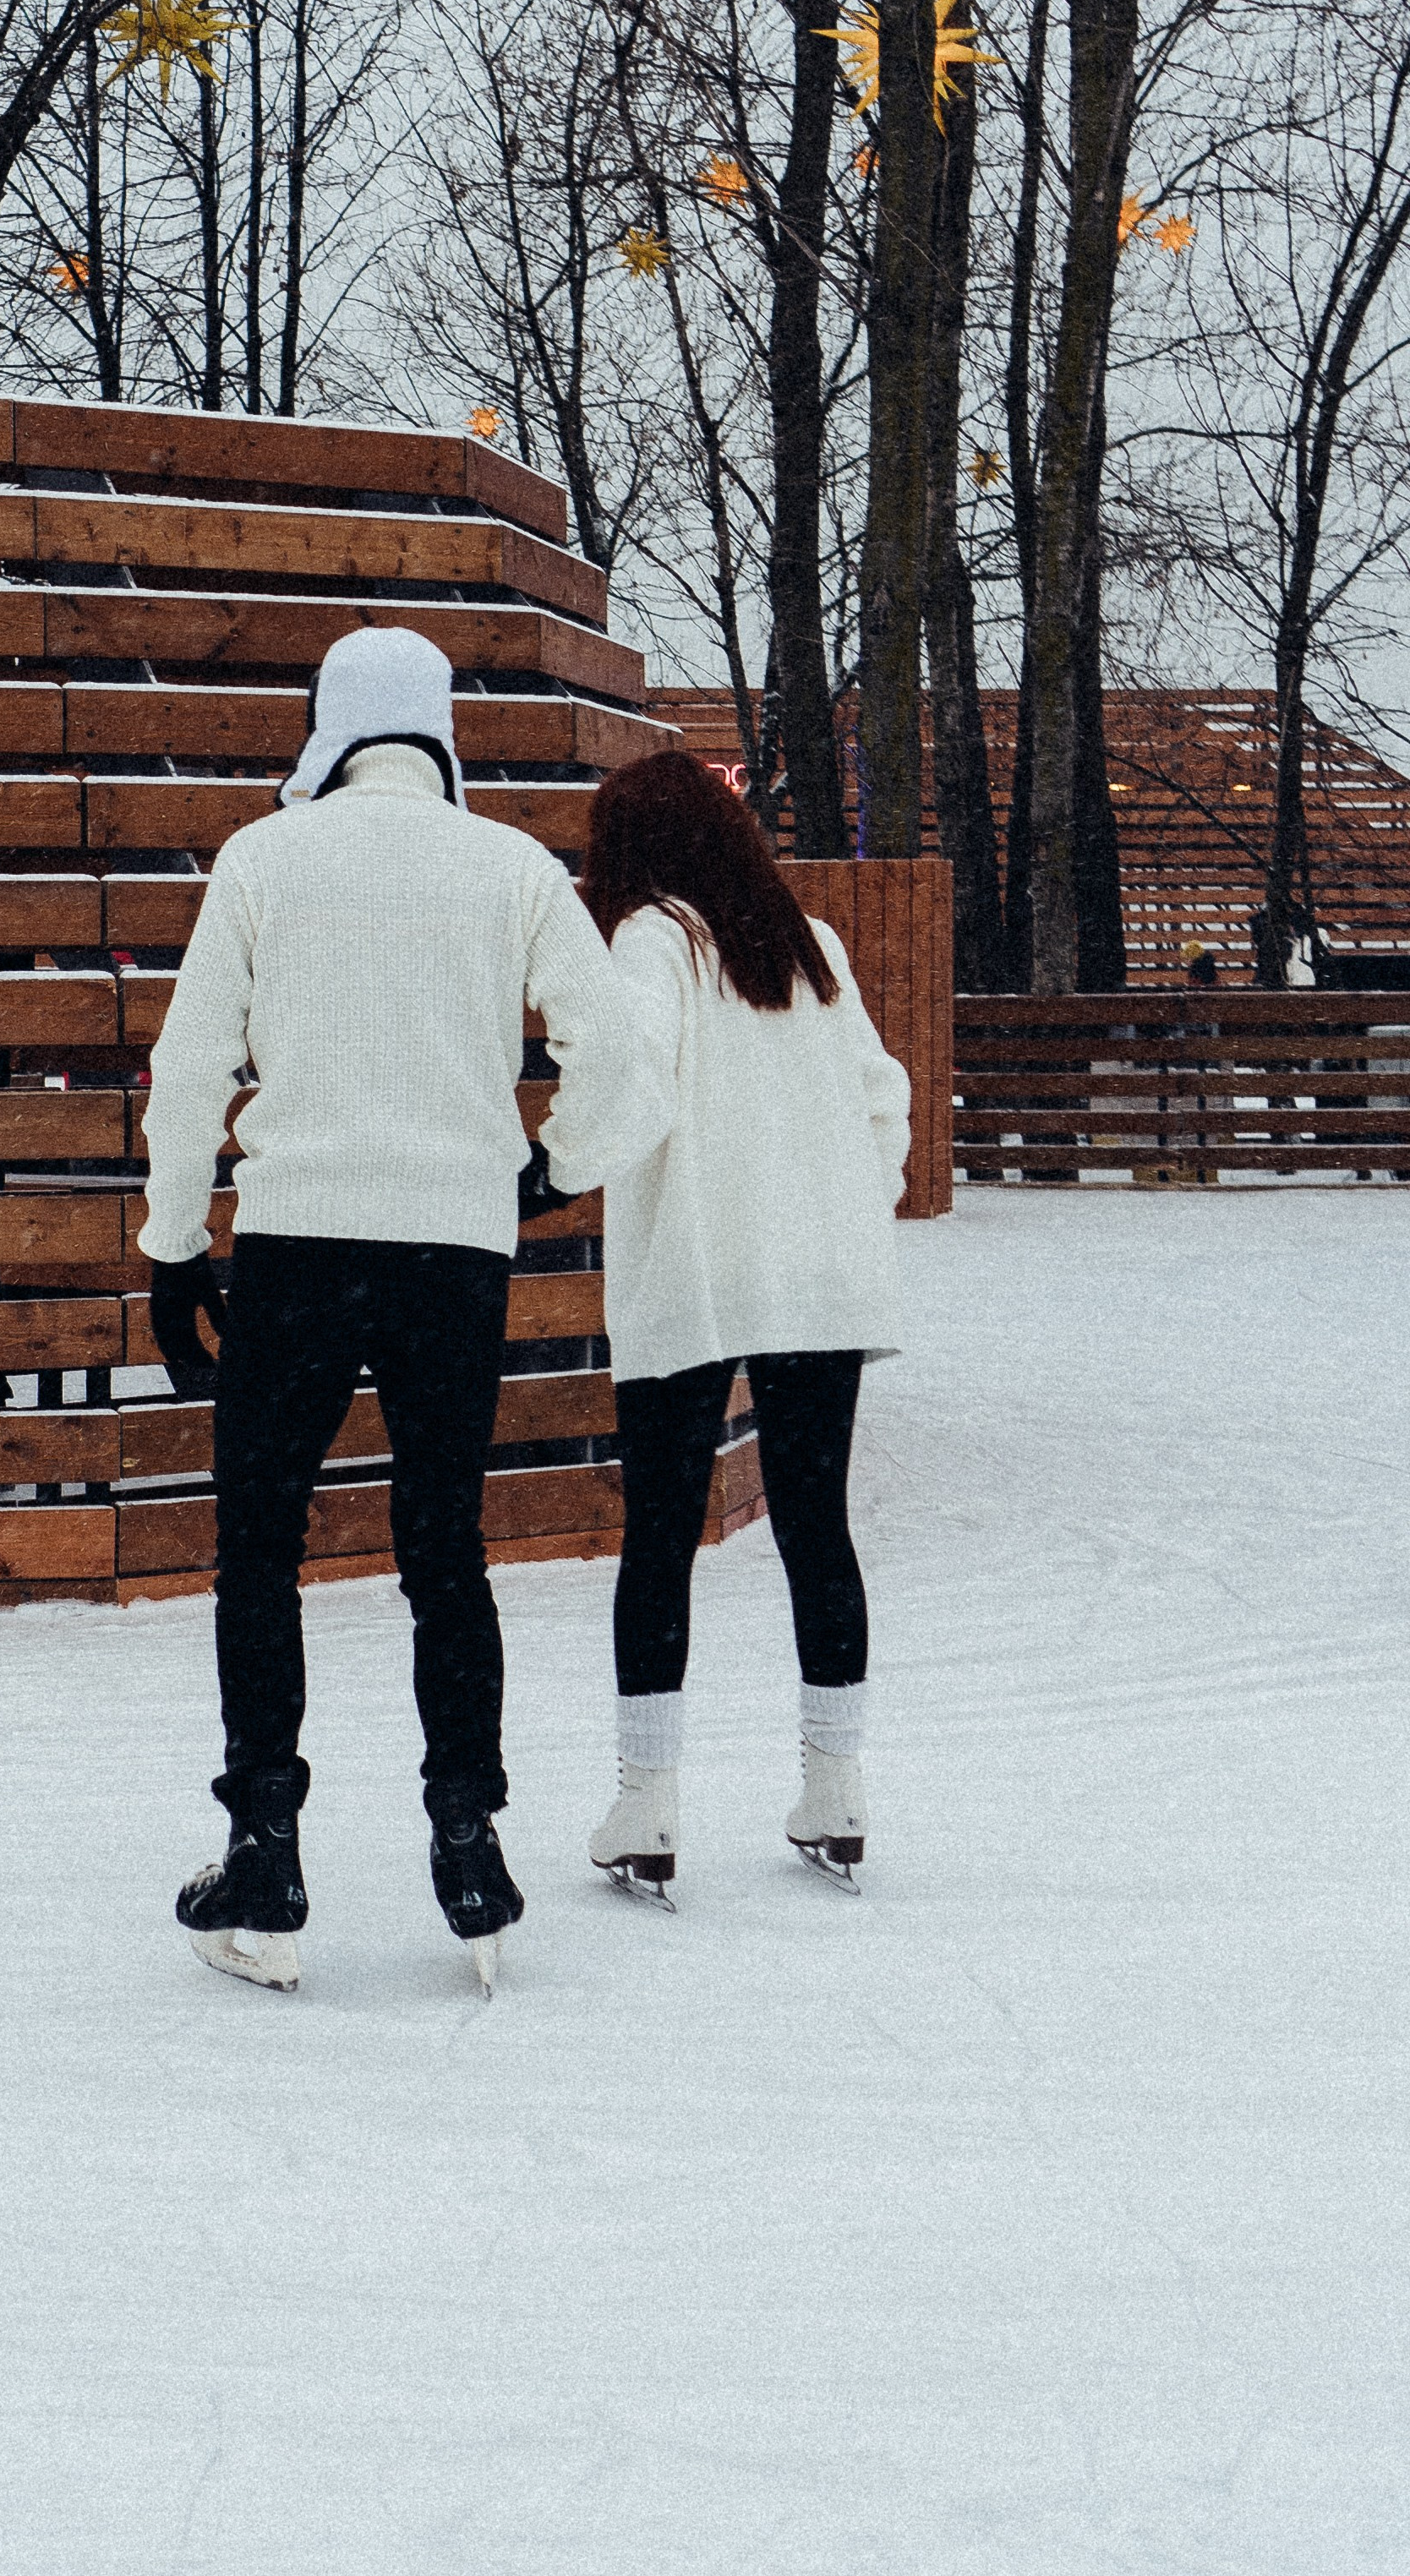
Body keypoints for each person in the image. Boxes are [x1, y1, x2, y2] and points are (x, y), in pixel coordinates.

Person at [139, 625, 663, 1994]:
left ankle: (264, 1846)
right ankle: (469, 1836)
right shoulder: (510, 868)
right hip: (453, 1251)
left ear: (326, 723)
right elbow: (619, 1057)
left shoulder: (264, 859)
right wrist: (548, 1172)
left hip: (300, 1242)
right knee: (446, 1550)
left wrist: (175, 1247)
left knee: (260, 1543)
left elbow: (191, 1064)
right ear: (435, 727)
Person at [577, 751, 912, 1899]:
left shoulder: (655, 938)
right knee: (816, 1526)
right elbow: (884, 1098)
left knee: (662, 1533)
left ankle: (648, 1803)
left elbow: (631, 1080)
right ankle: (837, 1784)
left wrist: (552, 1167)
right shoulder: (810, 940)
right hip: (816, 1274)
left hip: (698, 1269)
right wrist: (839, 1210)